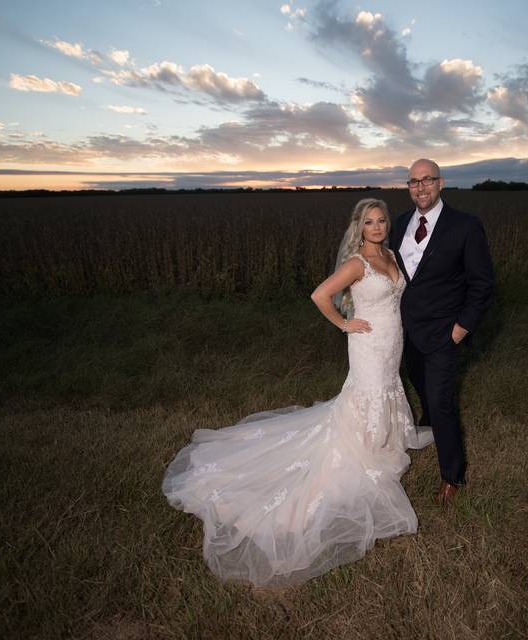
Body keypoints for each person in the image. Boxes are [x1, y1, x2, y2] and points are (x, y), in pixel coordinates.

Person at [163, 198, 432, 588]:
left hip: (392, 344)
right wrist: (344, 324)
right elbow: (320, 295)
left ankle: (384, 438)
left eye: (381, 221)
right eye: (369, 222)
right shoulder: (357, 263)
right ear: (359, 227)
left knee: (388, 388)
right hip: (367, 345)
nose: (377, 227)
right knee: (367, 394)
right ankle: (366, 446)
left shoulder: (390, 254)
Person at [389, 159, 494, 506]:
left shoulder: (464, 226)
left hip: (444, 332)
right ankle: (428, 423)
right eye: (414, 182)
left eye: (427, 180)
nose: (420, 188)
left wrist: (461, 329)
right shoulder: (400, 223)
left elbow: (481, 284)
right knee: (419, 385)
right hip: (405, 330)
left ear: (441, 182)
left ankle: (452, 475)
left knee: (440, 399)